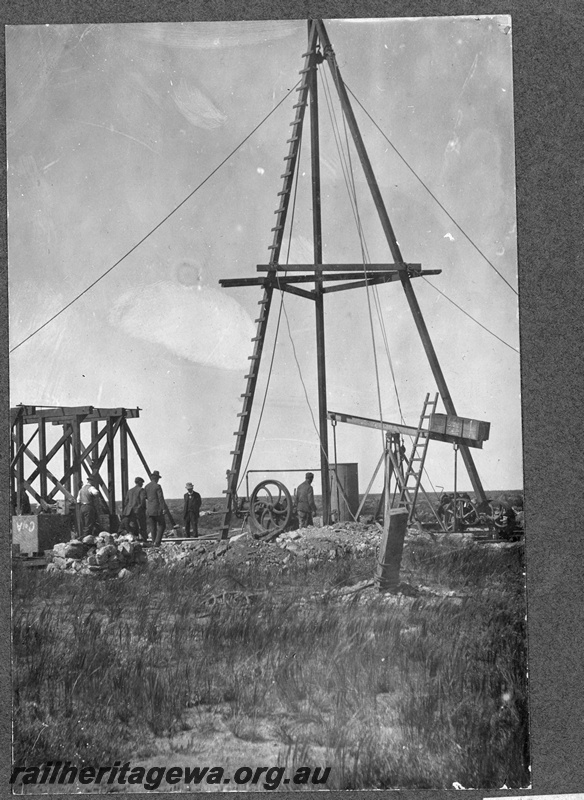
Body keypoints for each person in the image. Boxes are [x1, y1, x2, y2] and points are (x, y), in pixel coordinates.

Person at [144, 471, 167, 547]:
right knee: (162, 525)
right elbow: (161, 498)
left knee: (152, 527)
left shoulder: (146, 487)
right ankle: (157, 542)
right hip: (157, 509)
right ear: (157, 478)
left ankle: (154, 542)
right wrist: (163, 508)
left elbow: (145, 497)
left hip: (149, 510)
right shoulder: (157, 486)